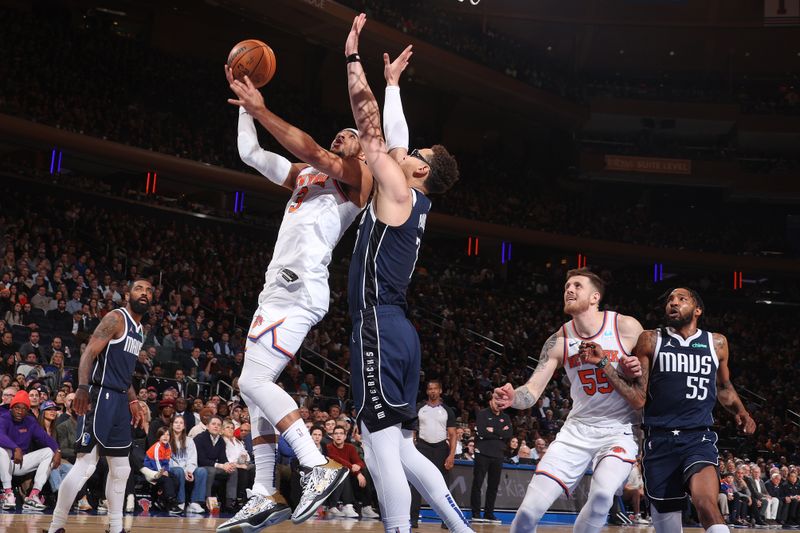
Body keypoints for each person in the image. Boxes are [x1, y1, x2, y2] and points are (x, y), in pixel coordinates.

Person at [216, 33, 375, 530]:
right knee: (253, 394)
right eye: (341, 133)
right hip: (277, 287)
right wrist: (245, 104)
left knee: (252, 380)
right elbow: (250, 153)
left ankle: (313, 464)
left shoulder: (358, 178)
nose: (341, 137)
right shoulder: (304, 177)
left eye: (350, 134)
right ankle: (265, 491)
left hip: (301, 286)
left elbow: (307, 146)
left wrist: (264, 109)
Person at [344, 14, 469, 533]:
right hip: (398, 329)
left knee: (378, 446)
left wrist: (352, 56)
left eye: (418, 154)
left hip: (378, 322)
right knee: (397, 442)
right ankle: (459, 528)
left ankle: (398, 529)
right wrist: (394, 84)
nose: (409, 151)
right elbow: (395, 137)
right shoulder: (412, 199)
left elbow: (371, 127)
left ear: (420, 171)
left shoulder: (396, 189)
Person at [580, 287, 756, 533]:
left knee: (705, 502)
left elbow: (724, 387)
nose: (673, 303)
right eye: (670, 300)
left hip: (698, 437)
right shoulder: (651, 339)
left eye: (681, 299)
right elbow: (638, 398)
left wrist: (741, 411)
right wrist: (603, 363)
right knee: (667, 525)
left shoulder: (716, 343)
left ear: (697, 310)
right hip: (659, 440)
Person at [493, 267, 644, 533]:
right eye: (566, 287)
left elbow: (645, 383)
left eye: (577, 286)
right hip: (577, 430)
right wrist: (512, 397)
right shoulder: (559, 340)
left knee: (601, 497)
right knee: (528, 512)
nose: (569, 290)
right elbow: (532, 392)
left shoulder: (626, 327)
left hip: (618, 430)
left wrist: (637, 370)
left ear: (595, 296)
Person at [47, 279, 152, 533]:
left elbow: (124, 374)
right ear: (128, 294)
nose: (145, 293)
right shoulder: (116, 318)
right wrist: (82, 387)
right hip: (100, 395)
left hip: (119, 399)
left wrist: (134, 400)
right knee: (86, 464)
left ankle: (115, 528)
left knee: (122, 467)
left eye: (150, 290)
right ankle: (56, 527)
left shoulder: (139, 330)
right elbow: (88, 353)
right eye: (139, 288)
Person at [0, 390, 60, 510]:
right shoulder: (4, 417)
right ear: (12, 407)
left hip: (19, 463)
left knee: (49, 451)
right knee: (1, 450)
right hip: (3, 461)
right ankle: (8, 493)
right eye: (17, 407)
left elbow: (45, 437)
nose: (20, 411)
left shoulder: (30, 421)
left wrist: (57, 451)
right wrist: (15, 447)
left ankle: (33, 496)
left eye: (23, 409)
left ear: (27, 411)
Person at [411, 379, 458, 528]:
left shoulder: (447, 410)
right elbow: (412, 431)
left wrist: (451, 455)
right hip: (422, 447)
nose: (432, 391)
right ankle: (413, 520)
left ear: (440, 391)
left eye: (435, 389)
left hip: (440, 449)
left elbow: (453, 435)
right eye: (430, 389)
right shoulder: (419, 408)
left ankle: (446, 520)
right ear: (427, 391)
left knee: (443, 486)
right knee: (417, 483)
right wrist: (412, 448)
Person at [470, 395, 512, 524]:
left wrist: (493, 430)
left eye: (500, 401)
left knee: (493, 486)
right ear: (490, 402)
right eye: (495, 401)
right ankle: (476, 513)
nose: (498, 403)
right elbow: (482, 432)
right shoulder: (482, 414)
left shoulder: (505, 417)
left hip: (498, 454)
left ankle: (489, 513)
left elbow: (508, 434)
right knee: (478, 483)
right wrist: (499, 432)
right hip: (482, 452)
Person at [169, 413, 207, 514]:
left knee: (202, 471)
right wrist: (184, 471)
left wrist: (189, 471)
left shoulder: (189, 441)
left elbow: (192, 459)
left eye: (181, 423)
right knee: (179, 470)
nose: (178, 425)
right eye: (176, 422)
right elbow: (168, 460)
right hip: (173, 469)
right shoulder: (167, 440)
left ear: (184, 426)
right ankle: (180, 502)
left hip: (186, 469)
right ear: (172, 425)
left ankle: (195, 503)